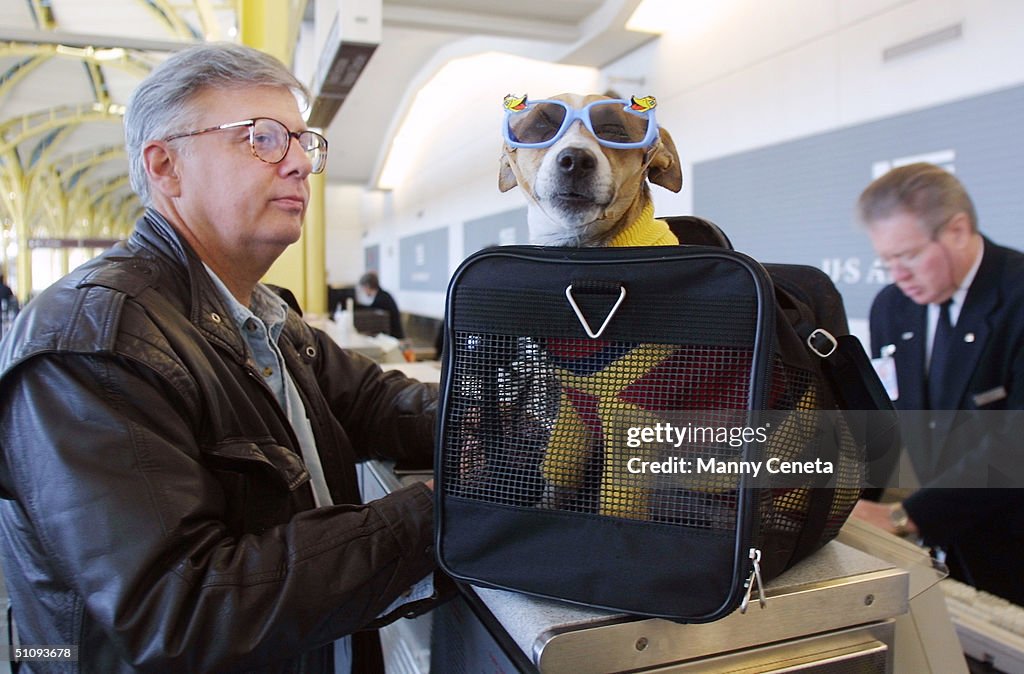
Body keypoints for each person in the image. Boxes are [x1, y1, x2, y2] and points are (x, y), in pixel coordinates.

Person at [0, 43, 440, 673]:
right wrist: (440, 509)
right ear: (166, 167)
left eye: (301, 141)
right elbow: (182, 612)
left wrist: (514, 409)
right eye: (262, 139)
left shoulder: (264, 313)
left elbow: (375, 403)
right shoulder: (92, 342)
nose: (298, 166)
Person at [851, 162, 1024, 604]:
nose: (898, 275)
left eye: (907, 256)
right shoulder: (892, 307)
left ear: (958, 230)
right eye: (886, 260)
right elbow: (889, 414)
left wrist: (906, 515)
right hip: (942, 554)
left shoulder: (1016, 297)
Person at [356, 271, 404, 339]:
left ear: (367, 286)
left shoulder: (381, 299)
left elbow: (371, 310)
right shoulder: (383, 295)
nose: (363, 291)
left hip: (393, 337)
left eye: (363, 288)